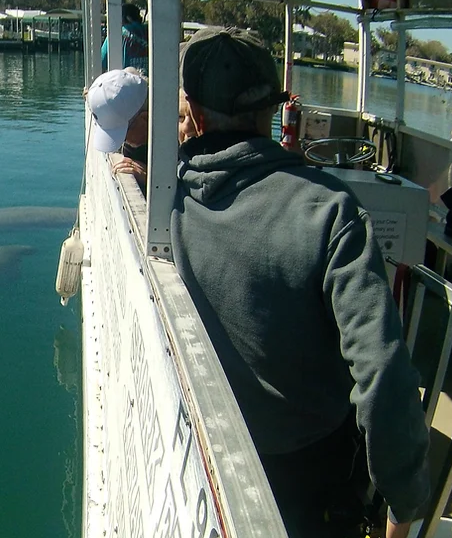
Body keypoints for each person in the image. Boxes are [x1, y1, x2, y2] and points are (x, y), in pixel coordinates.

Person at [174, 27, 430, 538]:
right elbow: (381, 373)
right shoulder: (330, 210)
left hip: (209, 457)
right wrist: (404, 502)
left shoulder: (171, 200)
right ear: (273, 110)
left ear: (195, 118)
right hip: (311, 474)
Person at [86, 67, 150, 186]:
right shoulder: (135, 143)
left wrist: (152, 181)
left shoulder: (182, 134)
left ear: (145, 118)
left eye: (124, 134)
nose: (122, 142)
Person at [101, 4, 149, 73]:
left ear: (128, 18)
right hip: (149, 81)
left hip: (126, 81)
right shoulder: (150, 31)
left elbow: (101, 63)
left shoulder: (116, 33)